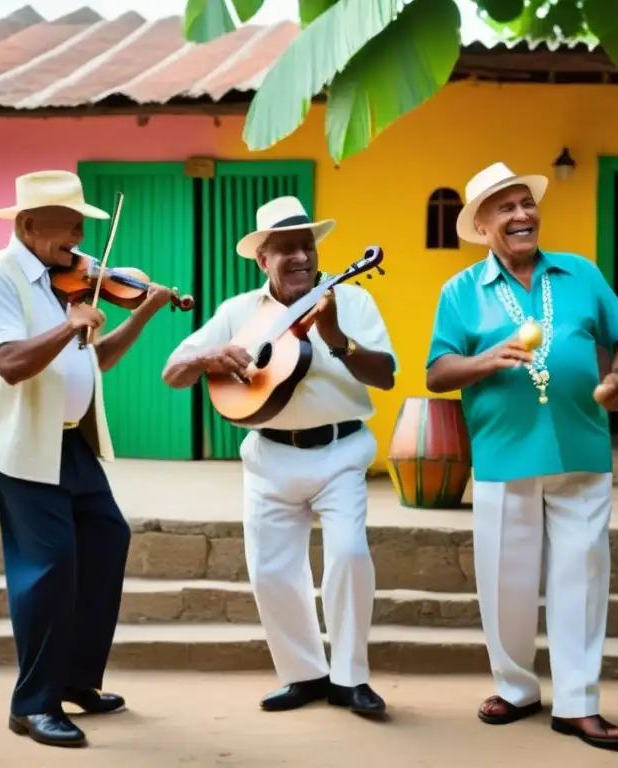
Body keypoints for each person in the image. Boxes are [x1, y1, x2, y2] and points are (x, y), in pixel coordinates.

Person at [425, 162, 618, 750]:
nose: (522, 215)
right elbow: (438, 371)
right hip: (503, 452)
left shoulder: (580, 273)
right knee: (506, 582)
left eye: (527, 204)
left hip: (582, 446)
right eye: (506, 208)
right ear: (484, 226)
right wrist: (483, 361)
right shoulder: (460, 292)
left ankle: (578, 703)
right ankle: (516, 687)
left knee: (583, 577)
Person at [162, 196, 396, 717]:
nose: (299, 257)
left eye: (306, 247)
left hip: (340, 451)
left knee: (350, 557)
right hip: (270, 457)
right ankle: (304, 674)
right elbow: (172, 372)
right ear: (261, 259)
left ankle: (350, 677)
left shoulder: (352, 301)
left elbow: (385, 376)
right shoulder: (238, 312)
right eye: (284, 248)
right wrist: (208, 358)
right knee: (271, 571)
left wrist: (334, 336)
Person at [0, 170, 176, 748]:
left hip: (70, 441)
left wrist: (142, 314)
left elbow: (96, 359)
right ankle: (31, 705)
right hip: (20, 443)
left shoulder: (65, 281)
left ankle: (78, 680)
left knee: (107, 540)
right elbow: (10, 363)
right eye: (71, 226)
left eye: (83, 228)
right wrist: (67, 326)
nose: (81, 239)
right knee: (50, 566)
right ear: (30, 224)